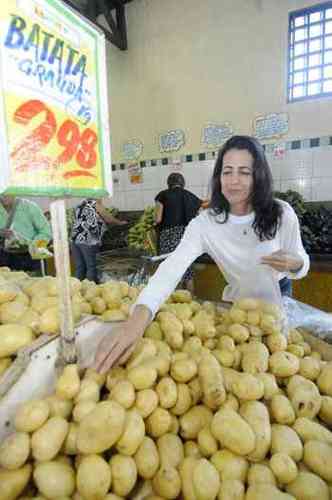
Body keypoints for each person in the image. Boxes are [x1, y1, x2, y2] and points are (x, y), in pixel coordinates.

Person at [93, 135, 310, 373]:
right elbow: (171, 267)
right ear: (218, 177)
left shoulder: (281, 213)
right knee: (245, 365)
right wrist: (137, 319)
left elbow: (302, 262)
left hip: (278, 297)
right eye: (227, 171)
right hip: (238, 303)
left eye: (244, 172)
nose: (234, 181)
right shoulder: (205, 224)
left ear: (258, 175)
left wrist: (296, 263)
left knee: (277, 363)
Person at [154, 172, 202, 292]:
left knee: (171, 270)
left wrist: (154, 223)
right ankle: (191, 302)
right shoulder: (191, 196)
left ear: (169, 183)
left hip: (169, 236)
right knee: (187, 270)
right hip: (187, 237)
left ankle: (174, 305)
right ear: (182, 183)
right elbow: (199, 216)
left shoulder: (162, 195)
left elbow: (158, 219)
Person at [71, 198, 127, 283]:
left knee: (80, 267)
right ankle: (90, 290)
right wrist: (120, 222)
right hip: (88, 239)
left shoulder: (79, 205)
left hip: (75, 239)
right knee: (91, 266)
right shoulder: (95, 204)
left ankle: (75, 290)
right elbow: (108, 218)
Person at [0, 196, 52, 272]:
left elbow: (46, 232)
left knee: (35, 283)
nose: (3, 196)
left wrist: (32, 245)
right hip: (4, 259)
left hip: (29, 257)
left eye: (7, 192)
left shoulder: (29, 207)